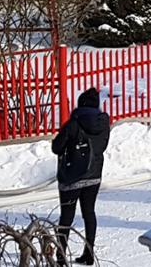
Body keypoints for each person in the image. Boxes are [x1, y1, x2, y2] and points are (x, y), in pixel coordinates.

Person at [50, 87, 110, 266]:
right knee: (89, 213)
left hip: (72, 177)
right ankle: (89, 253)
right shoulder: (103, 123)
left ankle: (61, 257)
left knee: (66, 217)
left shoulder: (73, 124)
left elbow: (57, 148)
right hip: (94, 175)